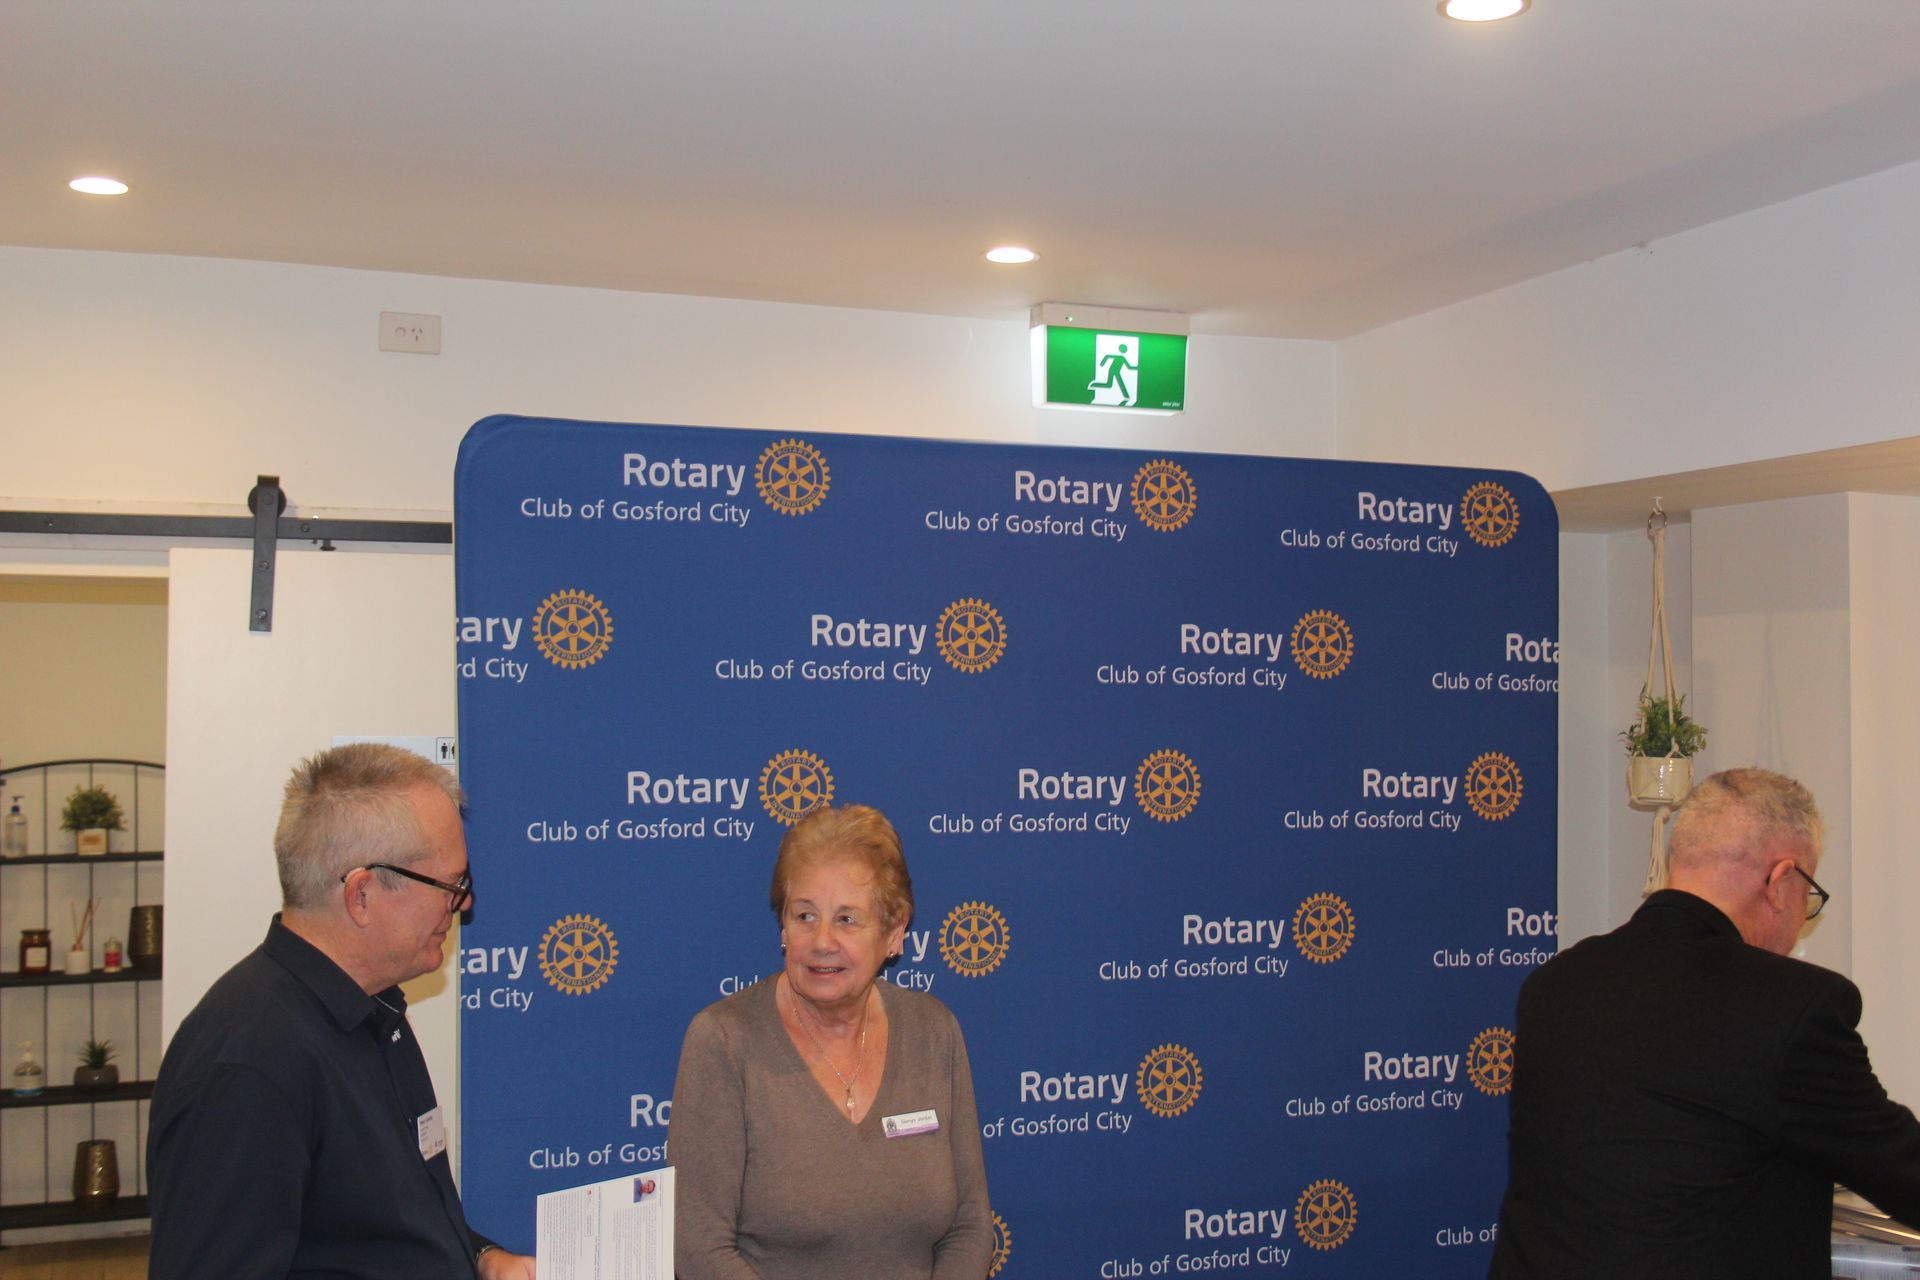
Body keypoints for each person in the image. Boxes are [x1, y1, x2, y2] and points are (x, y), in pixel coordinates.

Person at [1489, 767, 1920, 1279]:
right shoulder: (1791, 1005)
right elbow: (1902, 1170)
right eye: (1808, 897)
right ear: (1782, 881)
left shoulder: (1557, 983)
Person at [148, 743, 535, 1280]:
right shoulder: (249, 1067)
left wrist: (482, 1260)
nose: (464, 904)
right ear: (361, 895)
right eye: (452, 885)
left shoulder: (373, 1011)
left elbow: (381, 1229)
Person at [669, 803, 993, 1279]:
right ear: (783, 926)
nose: (822, 941)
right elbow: (697, 1249)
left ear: (894, 932)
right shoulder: (723, 1042)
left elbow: (969, 1226)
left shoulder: (934, 1031)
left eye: (847, 919)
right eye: (804, 916)